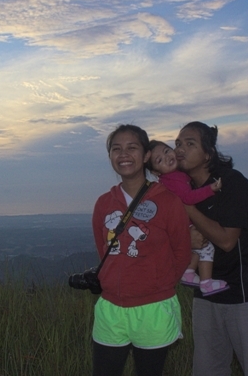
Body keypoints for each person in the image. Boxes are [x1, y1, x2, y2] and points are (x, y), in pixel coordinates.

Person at [174, 121, 248, 376]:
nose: (180, 150)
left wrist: (188, 208)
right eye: (177, 144)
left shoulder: (231, 183)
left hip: (243, 294)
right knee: (207, 369)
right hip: (206, 294)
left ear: (208, 153)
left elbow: (227, 240)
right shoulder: (184, 189)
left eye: (190, 143)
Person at [91, 124, 191, 376]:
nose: (123, 154)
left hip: (154, 307)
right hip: (111, 308)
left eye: (132, 148)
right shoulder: (104, 202)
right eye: (116, 149)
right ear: (111, 157)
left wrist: (161, 283)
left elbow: (181, 250)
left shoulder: (167, 200)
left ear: (146, 155)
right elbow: (102, 248)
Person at [147, 140, 229, 295]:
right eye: (159, 160)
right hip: (184, 224)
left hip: (180, 223)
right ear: (156, 172)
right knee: (207, 248)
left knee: (198, 249)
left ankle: (189, 273)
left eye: (166, 151)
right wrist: (210, 189)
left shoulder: (173, 177)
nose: (167, 158)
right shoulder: (174, 180)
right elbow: (188, 198)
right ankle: (206, 282)